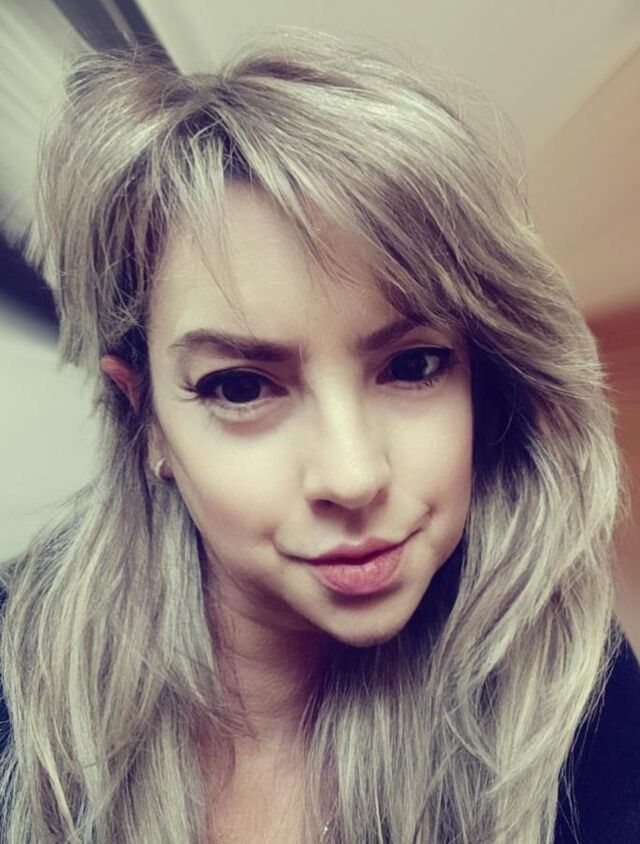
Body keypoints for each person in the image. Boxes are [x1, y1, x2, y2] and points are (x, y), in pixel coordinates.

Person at [0, 26, 638, 844]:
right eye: (240, 387)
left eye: (413, 366)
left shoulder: (570, 689)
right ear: (144, 419)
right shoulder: (15, 682)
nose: (352, 474)